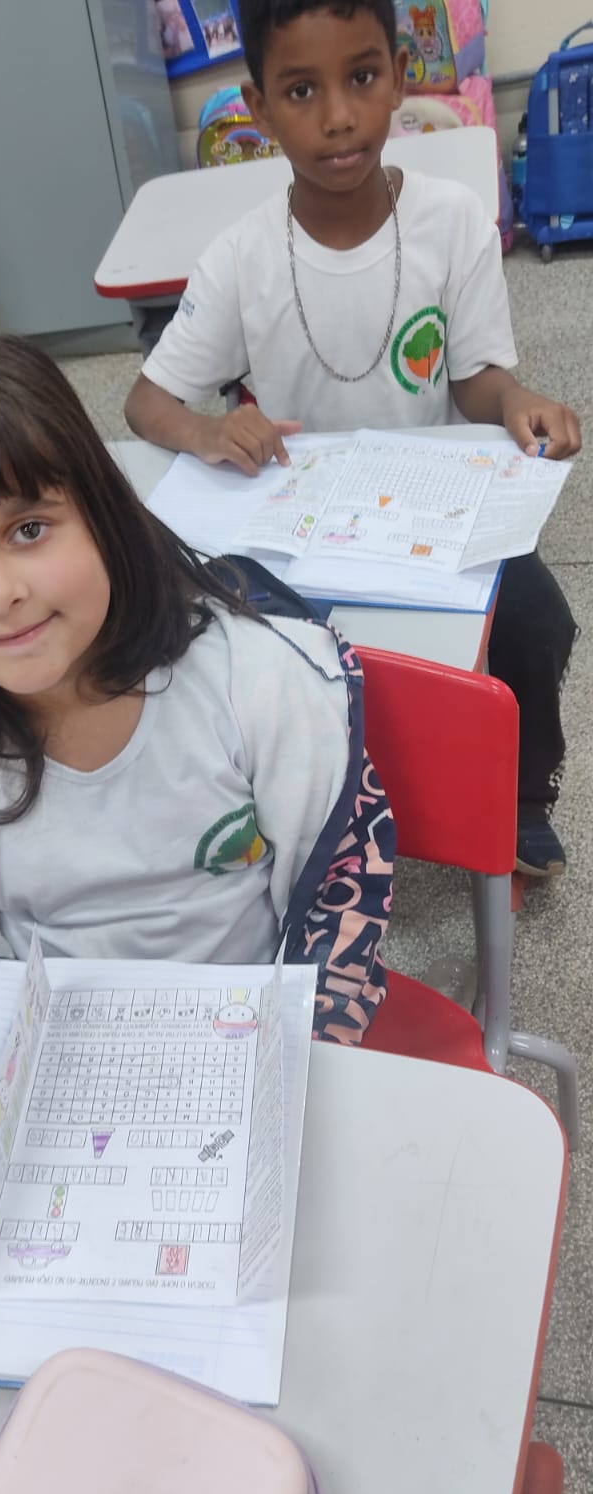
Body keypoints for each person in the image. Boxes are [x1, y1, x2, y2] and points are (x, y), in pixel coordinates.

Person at [125, 0, 581, 878]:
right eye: (302, 91)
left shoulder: (453, 221)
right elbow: (148, 403)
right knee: (225, 649)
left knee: (537, 622)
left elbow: (475, 380)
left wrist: (515, 399)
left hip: (430, 512)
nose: (338, 116)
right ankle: (300, 806)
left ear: (400, 79)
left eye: (363, 77)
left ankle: (522, 798)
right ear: (260, 109)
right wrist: (209, 428)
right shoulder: (242, 257)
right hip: (300, 527)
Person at [0, 334, 394, 1048]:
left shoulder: (255, 682)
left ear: (102, 514)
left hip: (257, 1048)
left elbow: (338, 899)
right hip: (57, 1074)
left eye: (28, 529)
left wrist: (295, 1060)